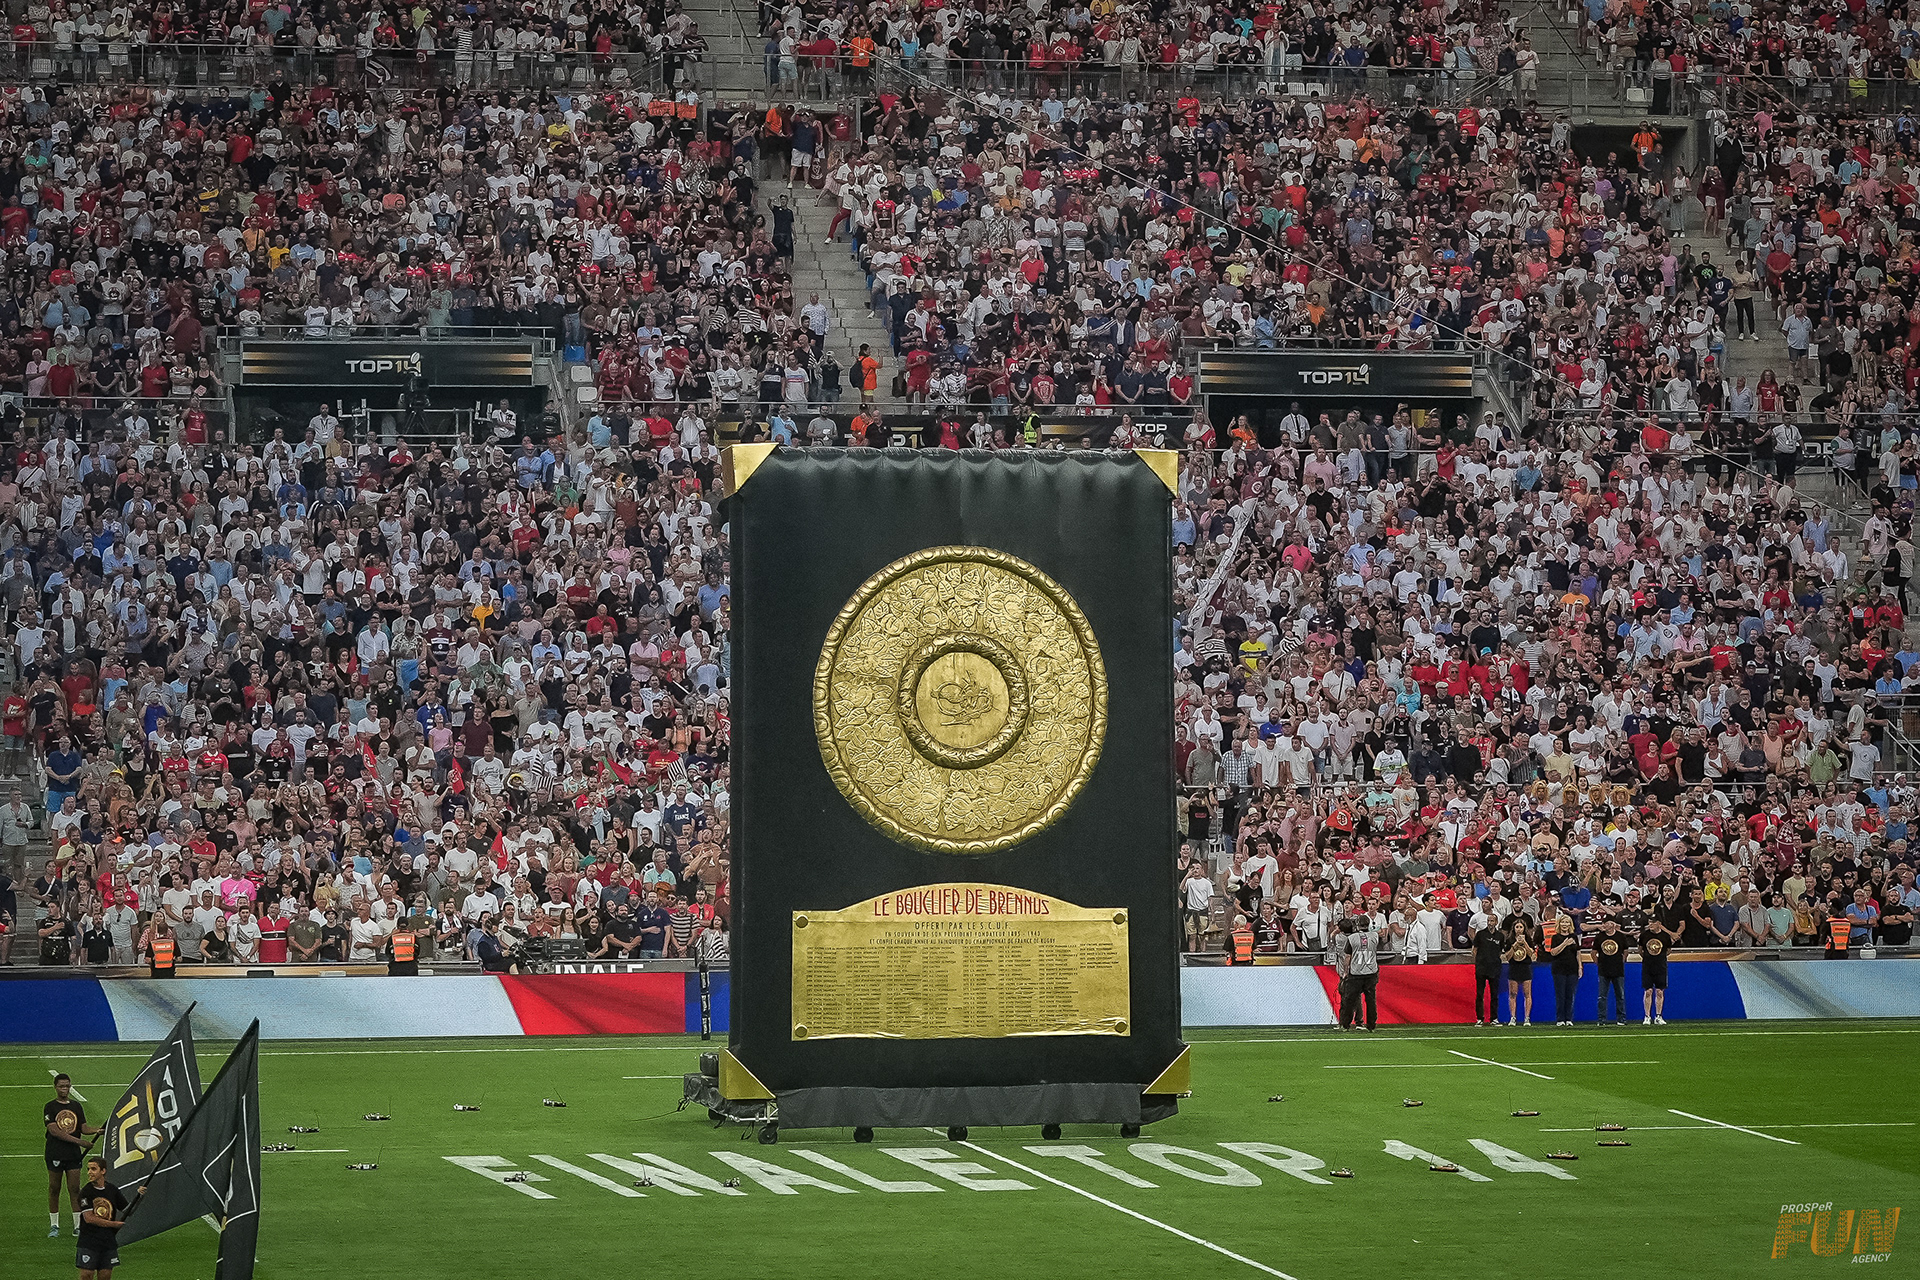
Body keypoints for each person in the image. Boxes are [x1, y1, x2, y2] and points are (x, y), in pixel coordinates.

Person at [45, 1073, 99, 1237]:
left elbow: (83, 1128)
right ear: (55, 1087)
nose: (65, 1089)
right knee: (55, 1188)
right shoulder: (50, 1107)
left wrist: (99, 1130)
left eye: (67, 1086)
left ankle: (78, 1225)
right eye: (61, 1086)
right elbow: (55, 1131)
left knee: (75, 1188)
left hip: (73, 1155)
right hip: (55, 1152)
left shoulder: (76, 1106)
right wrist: (81, 1142)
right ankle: (54, 1225)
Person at [75, 1154, 127, 1280]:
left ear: (103, 1171)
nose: (89, 1172)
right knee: (86, 1276)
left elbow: (127, 1209)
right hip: (89, 1241)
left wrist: (140, 1196)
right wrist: (113, 1225)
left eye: (93, 1169)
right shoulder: (86, 1192)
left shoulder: (112, 1190)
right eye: (88, 1169)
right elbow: (89, 1218)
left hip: (107, 1241)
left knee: (105, 1276)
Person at [1332, 915, 1382, 1030]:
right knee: (1371, 1000)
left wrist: (1345, 972)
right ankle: (1371, 1025)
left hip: (1356, 973)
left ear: (1357, 925)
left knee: (1349, 1000)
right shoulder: (1374, 936)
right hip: (1371, 971)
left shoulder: (1352, 938)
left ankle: (1345, 1024)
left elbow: (1347, 957)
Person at [1503, 912, 1540, 1027]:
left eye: (1521, 927)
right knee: (1513, 993)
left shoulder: (1528, 940)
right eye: (1517, 927)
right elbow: (1507, 957)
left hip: (1525, 967)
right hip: (1514, 967)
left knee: (1527, 993)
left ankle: (1527, 1018)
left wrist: (1524, 943)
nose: (1519, 929)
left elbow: (1532, 955)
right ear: (1514, 928)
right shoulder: (1509, 940)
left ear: (1524, 928)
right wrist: (1514, 945)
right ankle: (1513, 1017)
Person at [1545, 912, 1581, 1026]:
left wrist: (1580, 966)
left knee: (1570, 994)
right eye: (1563, 922)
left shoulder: (1574, 936)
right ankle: (1560, 1019)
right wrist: (1565, 943)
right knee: (1560, 994)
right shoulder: (1555, 937)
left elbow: (1578, 953)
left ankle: (1569, 1018)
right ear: (1559, 924)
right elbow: (1553, 952)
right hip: (1559, 969)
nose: (1565, 924)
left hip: (1572, 968)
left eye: (1567, 922)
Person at [1471, 911, 1506, 1026]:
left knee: (1494, 994)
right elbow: (1475, 949)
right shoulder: (1480, 934)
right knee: (1480, 994)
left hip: (1494, 968)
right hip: (1481, 968)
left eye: (1492, 921)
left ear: (1496, 922)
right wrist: (1478, 962)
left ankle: (1494, 1018)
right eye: (1488, 921)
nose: (1490, 923)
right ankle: (1479, 1018)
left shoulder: (1500, 936)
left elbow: (1501, 951)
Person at [1594, 915, 1628, 1025]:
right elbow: (1593, 952)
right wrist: (1599, 963)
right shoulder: (1599, 937)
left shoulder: (1620, 937)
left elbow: (1625, 950)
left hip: (1618, 970)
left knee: (1620, 996)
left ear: (1613, 924)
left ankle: (1621, 1019)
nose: (1605, 925)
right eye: (1604, 923)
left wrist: (1621, 961)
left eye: (1607, 923)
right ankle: (1602, 1019)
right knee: (1602, 996)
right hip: (1603, 970)